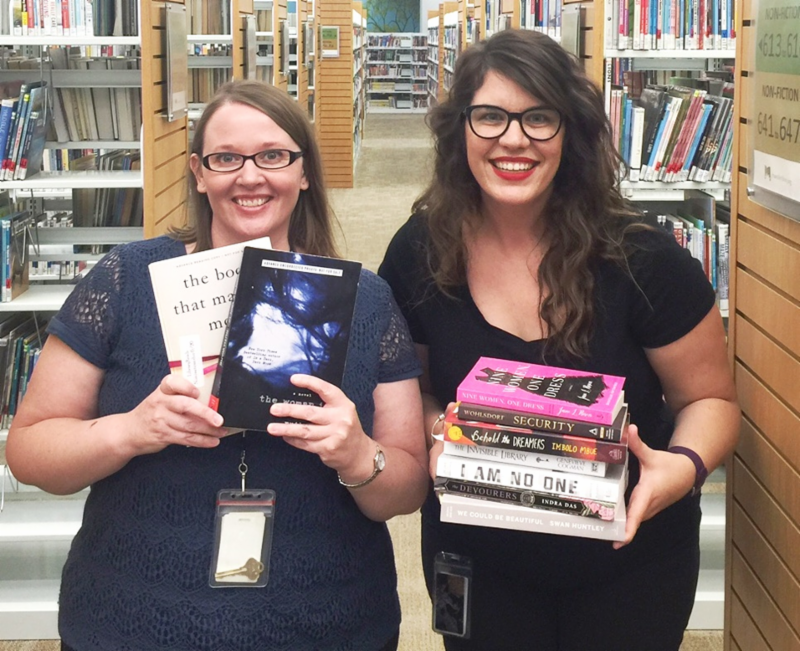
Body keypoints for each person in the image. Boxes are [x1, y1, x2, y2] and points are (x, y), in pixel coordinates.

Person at [6, 79, 429, 651]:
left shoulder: (365, 300)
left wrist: (357, 455)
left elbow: (407, 489)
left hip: (328, 621)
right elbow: (30, 451)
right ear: (199, 172)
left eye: (273, 156)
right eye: (226, 158)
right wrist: (133, 430)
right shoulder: (128, 280)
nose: (249, 176)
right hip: (131, 619)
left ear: (304, 171)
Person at [378, 29, 740, 651]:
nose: (513, 139)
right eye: (490, 116)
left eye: (539, 118)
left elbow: (712, 400)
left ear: (570, 132)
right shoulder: (420, 252)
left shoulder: (643, 258)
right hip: (478, 556)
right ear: (460, 130)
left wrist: (681, 469)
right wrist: (440, 432)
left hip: (629, 560)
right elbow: (413, 389)